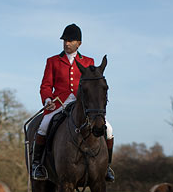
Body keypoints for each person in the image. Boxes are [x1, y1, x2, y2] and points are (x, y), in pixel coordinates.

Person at [31, 23, 115, 182]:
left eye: (70, 40)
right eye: (65, 40)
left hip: (82, 104)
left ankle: (107, 166)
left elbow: (94, 85)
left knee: (108, 129)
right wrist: (48, 99)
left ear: (79, 43)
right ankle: (38, 164)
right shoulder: (53, 61)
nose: (67, 43)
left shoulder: (89, 61)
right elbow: (46, 85)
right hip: (59, 103)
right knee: (43, 126)